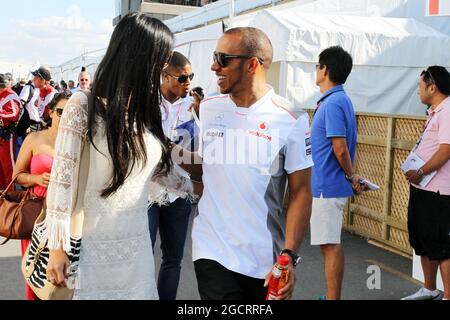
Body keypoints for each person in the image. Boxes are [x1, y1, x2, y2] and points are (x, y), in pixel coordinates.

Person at [45, 13, 186, 300]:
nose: (165, 67)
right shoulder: (83, 104)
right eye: (162, 58)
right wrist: (56, 248)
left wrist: (212, 175)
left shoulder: (148, 111)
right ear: (140, 55)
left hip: (137, 252)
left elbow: (161, 173)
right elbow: (62, 181)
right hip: (91, 250)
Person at [174, 27, 313, 300]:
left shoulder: (291, 118)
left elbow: (301, 193)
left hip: (263, 260)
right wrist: (168, 151)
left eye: (223, 58)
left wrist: (289, 254)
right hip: (211, 248)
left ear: (252, 64)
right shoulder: (210, 106)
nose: (214, 66)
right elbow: (208, 166)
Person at [310, 46, 367, 300]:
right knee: (329, 244)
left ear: (326, 70)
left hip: (329, 185)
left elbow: (340, 148)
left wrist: (352, 175)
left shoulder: (333, 102)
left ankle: (333, 298)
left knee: (330, 245)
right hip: (328, 184)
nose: (316, 70)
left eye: (317, 65)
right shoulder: (336, 99)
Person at [13, 91, 71, 300]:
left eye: (70, 113)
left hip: (66, 219)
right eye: (60, 112)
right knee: (34, 275)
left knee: (62, 279)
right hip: (36, 214)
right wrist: (36, 179)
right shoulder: (35, 139)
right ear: (50, 111)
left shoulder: (80, 143)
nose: (64, 117)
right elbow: (17, 176)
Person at [147, 51, 195, 300]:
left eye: (191, 77)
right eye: (183, 77)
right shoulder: (147, 104)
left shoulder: (193, 107)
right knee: (143, 254)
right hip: (148, 192)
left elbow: (198, 149)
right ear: (165, 77)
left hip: (180, 192)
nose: (188, 83)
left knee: (173, 259)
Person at [402, 66, 450, 300]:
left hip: (438, 189)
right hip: (422, 187)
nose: (418, 92)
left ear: (433, 87)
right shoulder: (435, 111)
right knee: (422, 238)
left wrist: (420, 170)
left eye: (421, 87)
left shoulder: (448, 110)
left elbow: (446, 151)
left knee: (441, 244)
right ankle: (429, 288)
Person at [0, 73, 21, 191]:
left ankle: (12, 193)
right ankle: (3, 192)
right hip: (2, 134)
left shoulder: (10, 95)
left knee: (8, 166)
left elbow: (14, 114)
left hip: (8, 135)